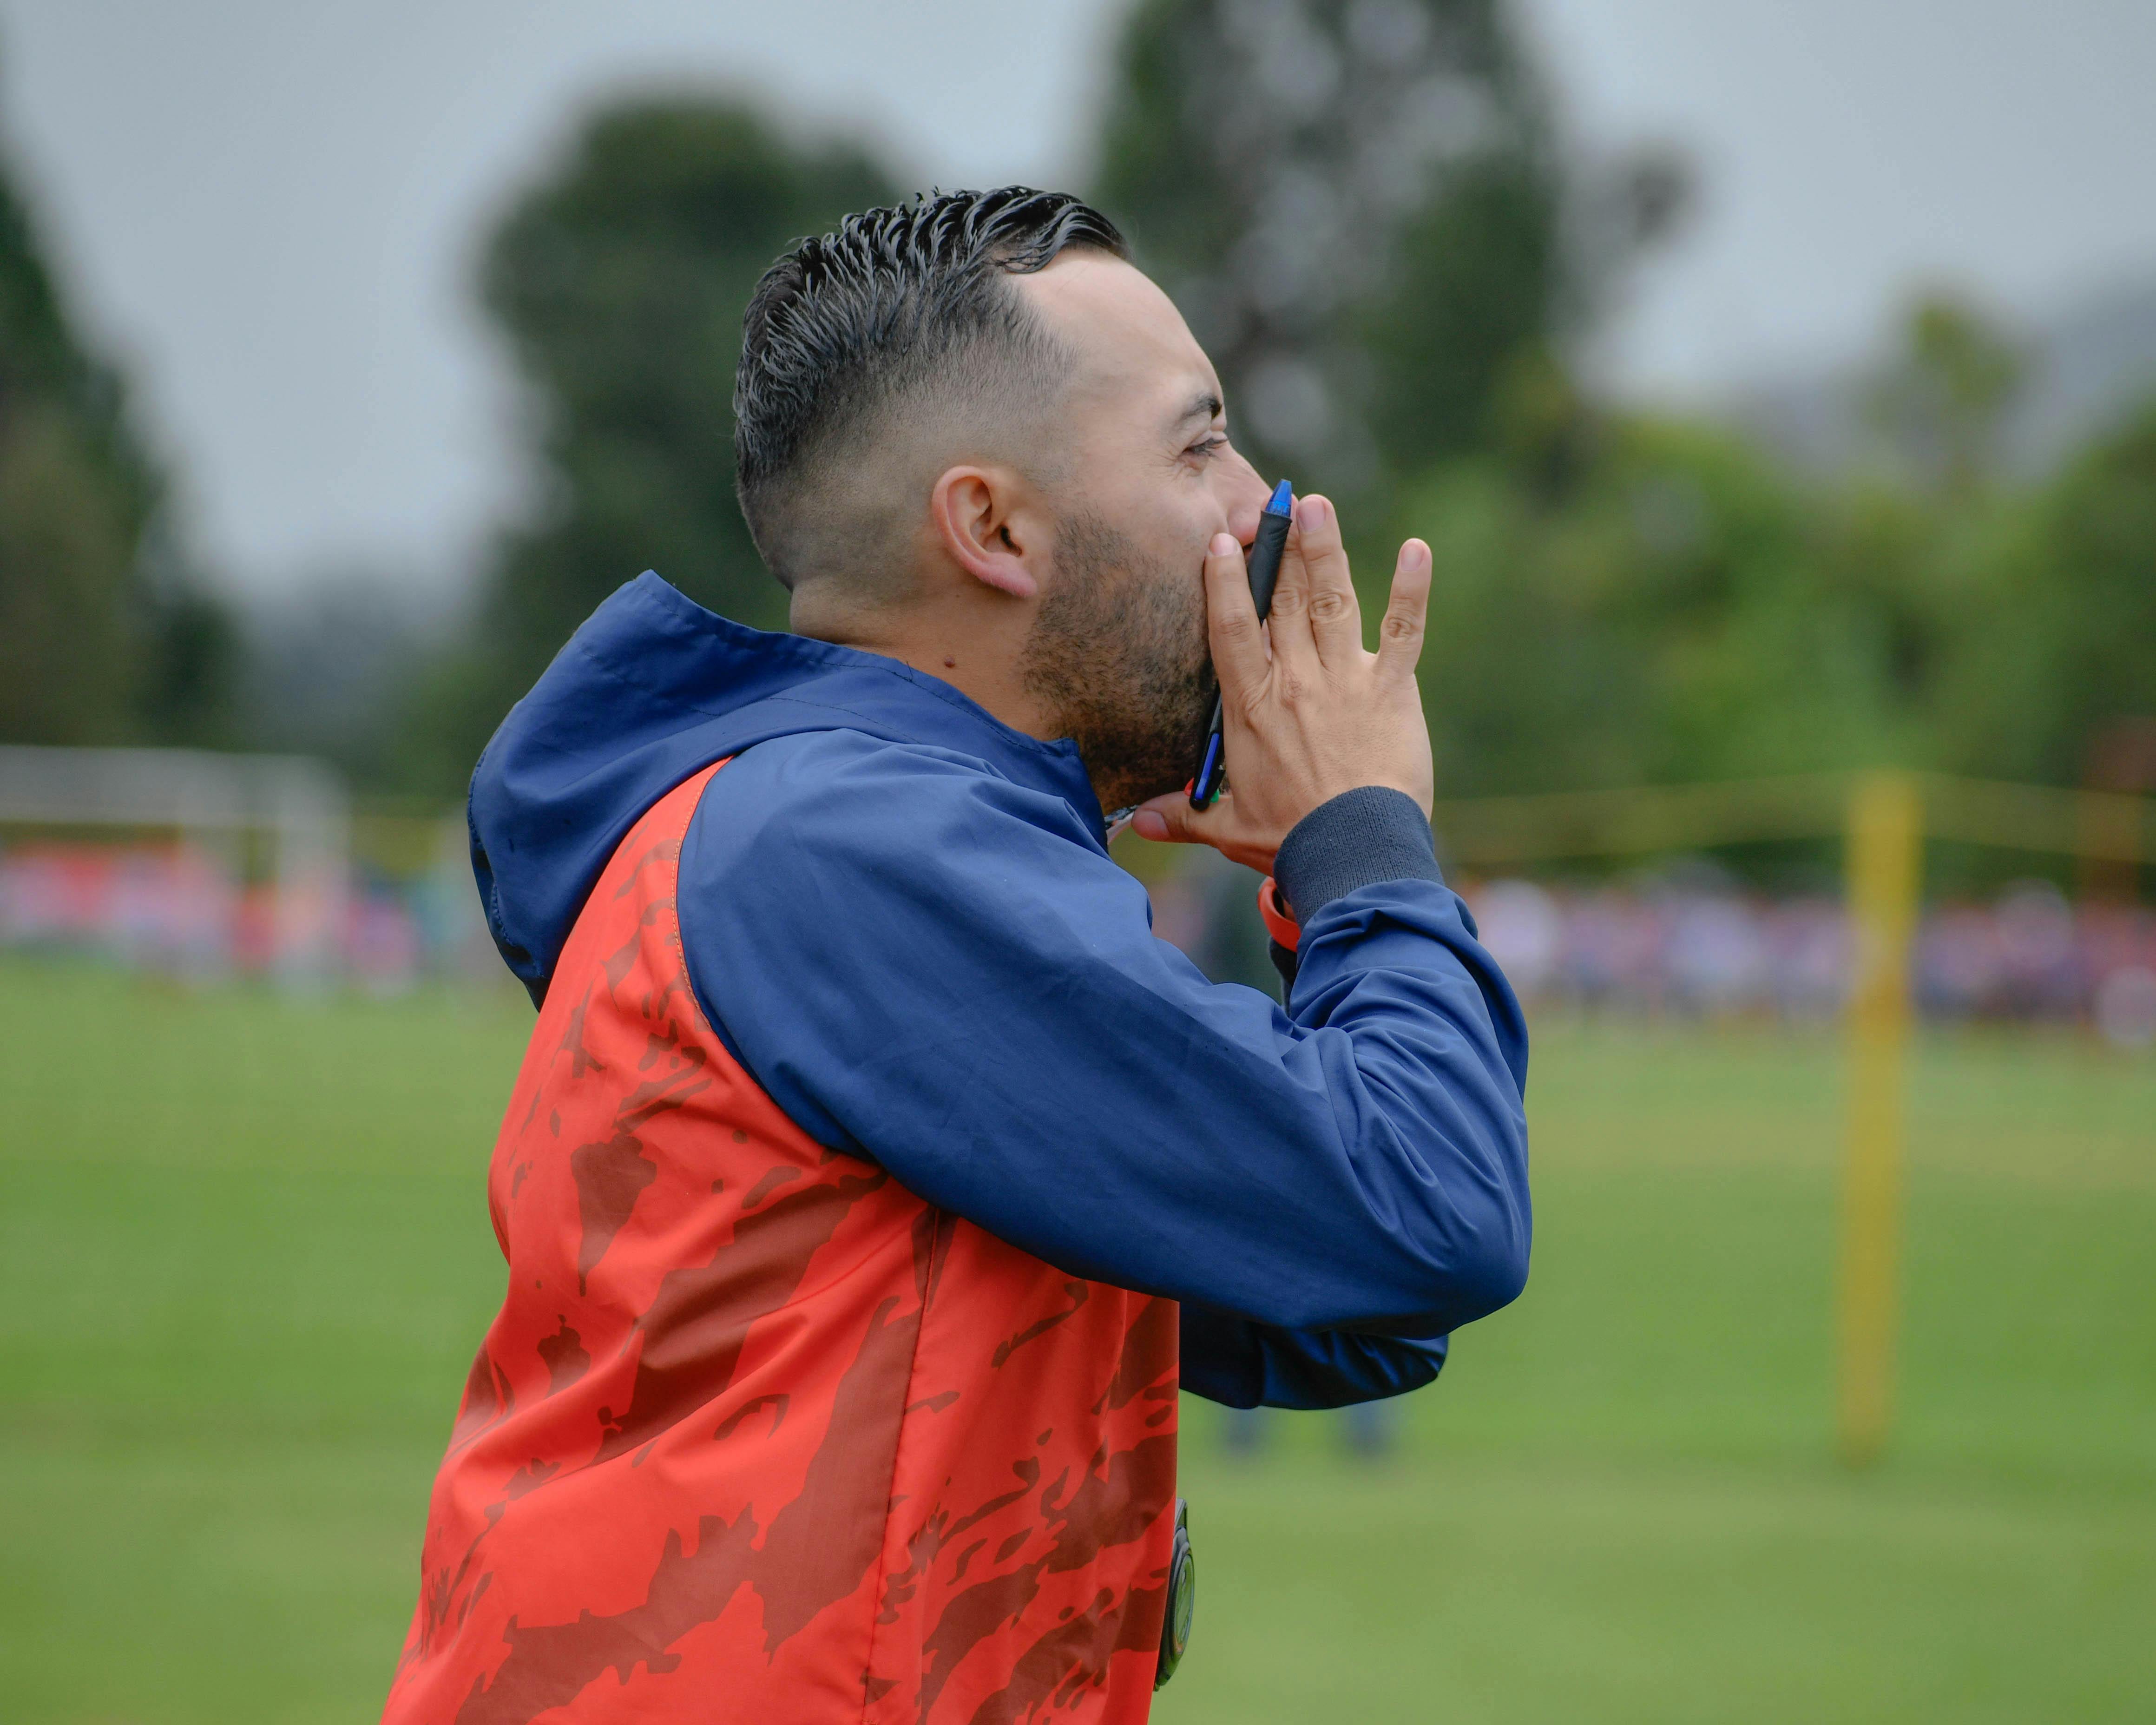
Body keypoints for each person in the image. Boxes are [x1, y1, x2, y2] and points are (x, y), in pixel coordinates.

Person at [382, 188, 1530, 1725]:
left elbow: (1349, 1307)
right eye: (1198, 446)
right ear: (992, 528)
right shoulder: (849, 849)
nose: (1262, 502)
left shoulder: (831, 836)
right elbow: (1433, 1209)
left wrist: (1319, 896)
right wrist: (1362, 833)